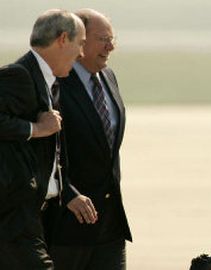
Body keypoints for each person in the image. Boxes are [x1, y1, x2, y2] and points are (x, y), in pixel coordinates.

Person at [0, 9, 96, 269]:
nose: (82, 54)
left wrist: (65, 190)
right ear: (63, 39)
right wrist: (35, 128)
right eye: (81, 44)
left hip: (33, 216)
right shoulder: (18, 75)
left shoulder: (48, 80)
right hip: (13, 219)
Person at [43, 9, 132, 270]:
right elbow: (45, 151)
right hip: (67, 227)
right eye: (103, 39)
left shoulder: (109, 77)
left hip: (110, 225)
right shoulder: (55, 84)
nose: (111, 46)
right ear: (78, 40)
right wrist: (68, 192)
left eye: (113, 39)